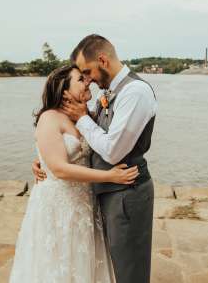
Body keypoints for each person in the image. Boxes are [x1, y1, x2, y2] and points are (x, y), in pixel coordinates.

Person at [33, 34, 158, 283]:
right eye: (82, 77)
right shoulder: (103, 95)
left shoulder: (135, 92)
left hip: (125, 192)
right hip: (96, 196)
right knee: (102, 267)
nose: (88, 80)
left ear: (102, 60)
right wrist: (44, 161)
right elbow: (72, 147)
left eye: (87, 72)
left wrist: (82, 118)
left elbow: (112, 151)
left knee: (129, 271)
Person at [9, 64, 139, 283]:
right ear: (64, 90)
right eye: (80, 79)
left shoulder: (85, 115)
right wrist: (111, 176)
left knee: (83, 264)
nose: (88, 81)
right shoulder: (50, 118)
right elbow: (59, 168)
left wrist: (41, 160)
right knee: (57, 266)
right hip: (58, 206)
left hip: (85, 205)